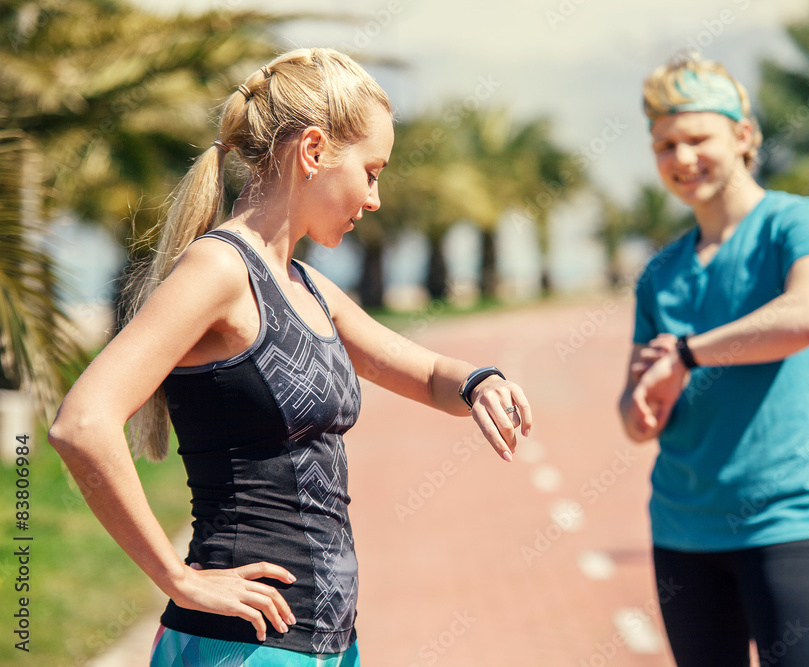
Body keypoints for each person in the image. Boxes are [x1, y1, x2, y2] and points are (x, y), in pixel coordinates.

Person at [48, 47, 532, 667]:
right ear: (313, 151)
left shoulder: (306, 286)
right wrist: (178, 578)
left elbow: (427, 374)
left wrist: (480, 382)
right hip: (239, 647)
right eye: (371, 171)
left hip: (326, 644)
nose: (375, 198)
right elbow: (81, 423)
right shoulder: (219, 270)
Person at [618, 52, 809, 667]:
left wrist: (688, 354)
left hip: (781, 522)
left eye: (697, 138)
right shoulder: (660, 272)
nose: (681, 157)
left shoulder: (796, 223)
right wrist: (642, 408)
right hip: (680, 532)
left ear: (743, 136)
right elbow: (632, 413)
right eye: (664, 145)